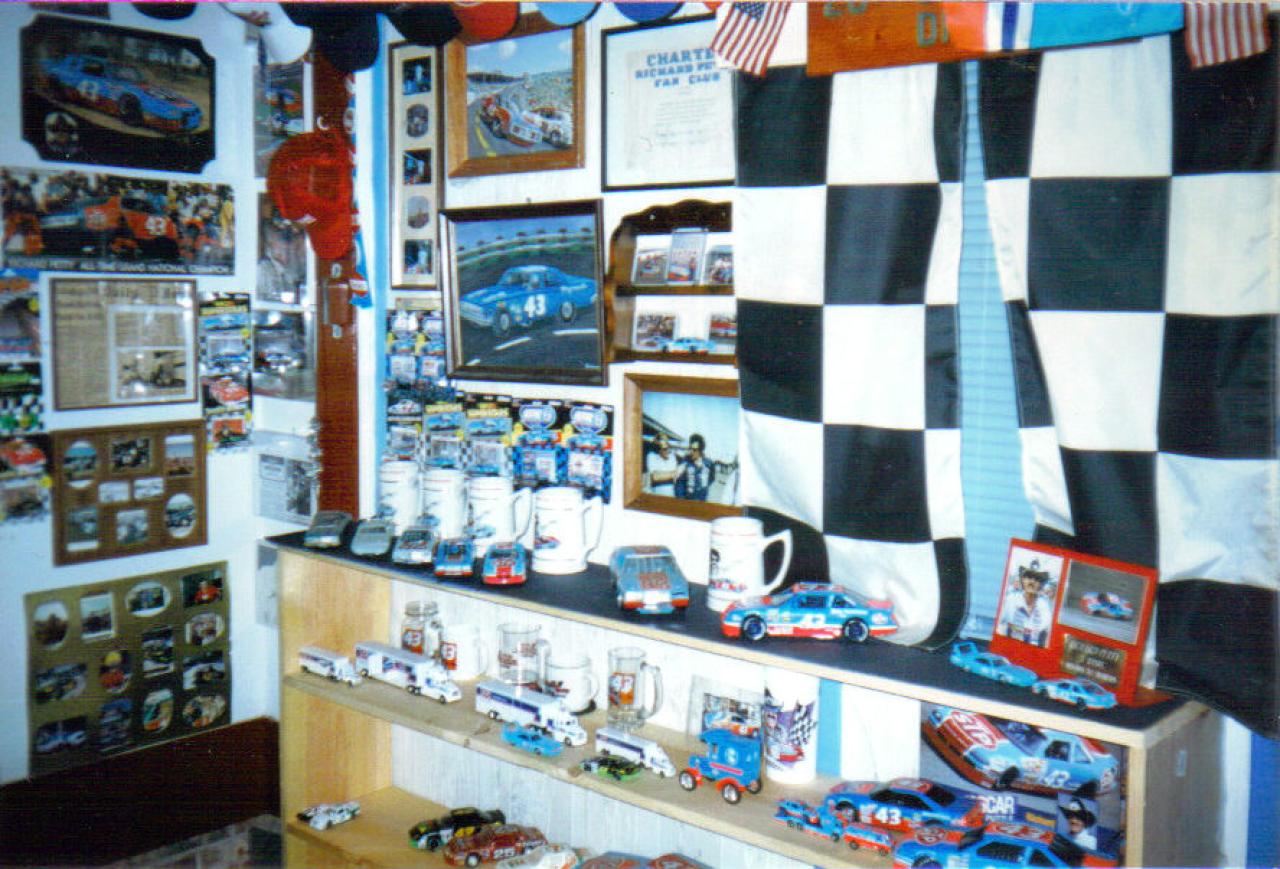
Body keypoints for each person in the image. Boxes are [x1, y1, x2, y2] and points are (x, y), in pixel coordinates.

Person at [996, 558, 1053, 647]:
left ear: (1041, 584)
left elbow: (1046, 635)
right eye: (1029, 577)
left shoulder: (1044, 607)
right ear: (1022, 580)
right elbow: (999, 627)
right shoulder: (1011, 599)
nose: (1032, 582)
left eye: (1037, 579)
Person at [673, 433, 715, 501]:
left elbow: (711, 478)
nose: (691, 452)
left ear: (701, 450)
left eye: (694, 450)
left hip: (702, 501)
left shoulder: (709, 464)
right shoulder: (685, 463)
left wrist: (702, 487)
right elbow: (679, 485)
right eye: (690, 449)